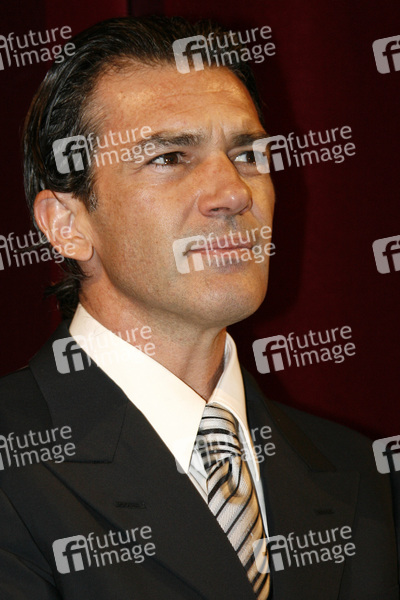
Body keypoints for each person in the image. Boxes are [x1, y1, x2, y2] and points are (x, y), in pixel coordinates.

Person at [0, 16, 398, 600]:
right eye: (169, 157)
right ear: (66, 223)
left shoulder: (364, 475)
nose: (233, 192)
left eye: (248, 154)